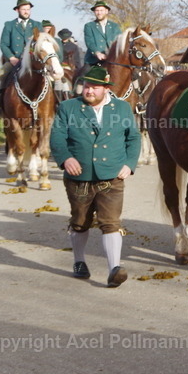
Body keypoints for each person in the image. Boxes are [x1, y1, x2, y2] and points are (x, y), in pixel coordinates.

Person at [49, 65, 141, 287]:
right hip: (79, 176)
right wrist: (66, 159)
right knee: (80, 222)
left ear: (105, 89)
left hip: (112, 176)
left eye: (93, 87)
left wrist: (129, 164)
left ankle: (114, 269)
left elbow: (134, 138)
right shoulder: (68, 108)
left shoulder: (122, 108)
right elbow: (57, 138)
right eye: (86, 86)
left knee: (111, 222)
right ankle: (79, 261)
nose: (88, 91)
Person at [0, 0, 43, 115]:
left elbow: (41, 43)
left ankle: (57, 104)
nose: (26, 11)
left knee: (50, 76)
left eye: (28, 9)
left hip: (32, 61)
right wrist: (11, 58)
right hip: (14, 60)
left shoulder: (37, 25)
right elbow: (3, 44)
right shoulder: (9, 25)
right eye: (23, 9)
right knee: (1, 76)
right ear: (17, 10)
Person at [83, 0, 122, 67]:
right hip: (93, 61)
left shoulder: (115, 26)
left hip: (113, 60)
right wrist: (97, 53)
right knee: (83, 75)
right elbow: (89, 42)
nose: (99, 13)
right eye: (97, 10)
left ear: (106, 11)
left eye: (101, 10)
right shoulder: (89, 26)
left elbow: (119, 42)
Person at [56, 28, 83, 101]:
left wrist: (78, 70)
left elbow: (77, 59)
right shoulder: (57, 45)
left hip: (69, 66)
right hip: (57, 66)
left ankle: (71, 95)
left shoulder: (74, 46)